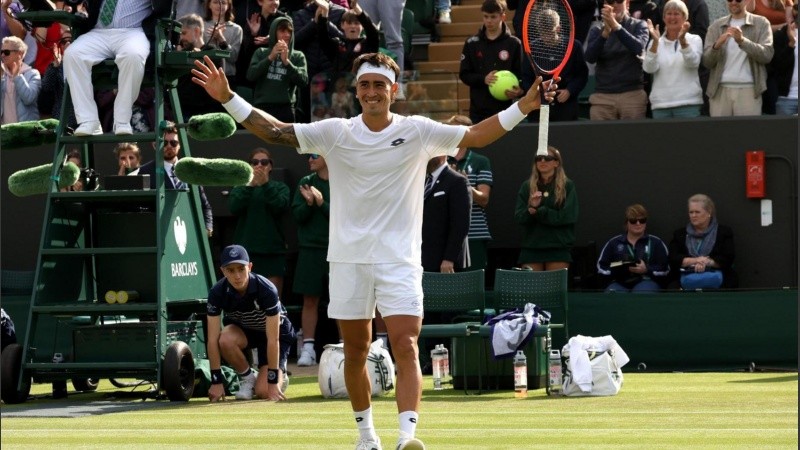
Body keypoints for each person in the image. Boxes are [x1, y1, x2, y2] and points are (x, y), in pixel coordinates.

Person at [191, 50, 554, 450]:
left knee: (405, 343)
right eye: (365, 85)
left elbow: (475, 135)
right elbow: (276, 131)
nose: (372, 91)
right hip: (348, 259)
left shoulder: (417, 130)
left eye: (380, 84)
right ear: (356, 91)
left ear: (393, 91)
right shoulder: (336, 132)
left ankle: (407, 436)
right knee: (357, 350)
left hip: (399, 259)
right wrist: (228, 98)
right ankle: (366, 436)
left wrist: (524, 105)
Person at [63, 0, 171, 136]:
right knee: (72, 54)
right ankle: (89, 121)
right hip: (99, 32)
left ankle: (122, 121)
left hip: (133, 31)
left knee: (134, 55)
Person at [206, 244, 295, 401]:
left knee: (264, 392)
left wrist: (272, 383)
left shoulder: (267, 289)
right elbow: (212, 340)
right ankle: (248, 379)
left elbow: (274, 340)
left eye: (241, 268)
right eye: (231, 270)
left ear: (250, 267)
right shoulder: (217, 292)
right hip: (247, 332)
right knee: (225, 338)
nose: (237, 276)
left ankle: (281, 377)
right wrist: (216, 381)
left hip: (275, 335)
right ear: (223, 271)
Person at [228, 148, 290, 297]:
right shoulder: (241, 187)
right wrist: (250, 186)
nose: (259, 165)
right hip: (246, 252)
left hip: (273, 252)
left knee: (273, 299)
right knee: (245, 300)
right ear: (250, 166)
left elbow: (280, 207)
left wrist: (265, 185)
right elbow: (234, 207)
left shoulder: (280, 187)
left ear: (270, 166)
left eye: (264, 162)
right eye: (255, 162)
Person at [136, 121, 214, 237]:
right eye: (165, 143)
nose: (169, 147)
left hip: (190, 233)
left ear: (179, 145)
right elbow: (142, 208)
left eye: (173, 143)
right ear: (155, 145)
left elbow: (204, 204)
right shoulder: (145, 171)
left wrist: (208, 228)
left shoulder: (190, 170)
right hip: (162, 234)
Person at [702, 0, 773, 117]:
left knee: (747, 134)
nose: (733, 2)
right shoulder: (716, 26)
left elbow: (767, 55)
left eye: (738, 0)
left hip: (749, 89)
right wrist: (716, 46)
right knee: (719, 133)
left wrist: (742, 41)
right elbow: (707, 62)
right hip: (719, 90)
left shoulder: (761, 23)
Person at [291, 153, 330, 367]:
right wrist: (307, 204)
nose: (310, 159)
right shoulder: (305, 182)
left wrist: (321, 203)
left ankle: (345, 346)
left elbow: (344, 216)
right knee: (309, 300)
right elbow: (297, 216)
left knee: (341, 301)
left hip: (337, 250)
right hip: (310, 250)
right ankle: (308, 348)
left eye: (315, 155)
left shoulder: (342, 180)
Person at [514, 146, 578, 271]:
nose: (542, 161)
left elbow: (568, 216)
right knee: (531, 290)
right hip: (531, 247)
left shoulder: (567, 185)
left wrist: (540, 211)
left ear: (556, 162)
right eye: (539, 158)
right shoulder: (527, 186)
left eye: (547, 158)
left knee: (554, 289)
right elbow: (519, 217)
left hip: (557, 247)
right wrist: (531, 208)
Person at [459, 0, 524, 124]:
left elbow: (522, 75)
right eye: (486, 16)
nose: (489, 21)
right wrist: (483, 79)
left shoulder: (514, 43)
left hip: (507, 111)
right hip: (479, 110)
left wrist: (520, 91)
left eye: (493, 17)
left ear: (503, 17)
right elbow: (464, 74)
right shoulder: (472, 43)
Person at [584, 0, 650, 120]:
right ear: (605, 6)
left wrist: (616, 27)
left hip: (632, 94)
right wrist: (604, 35)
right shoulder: (597, 29)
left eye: (619, 1)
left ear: (627, 4)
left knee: (633, 137)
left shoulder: (639, 25)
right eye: (610, 1)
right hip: (603, 96)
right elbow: (590, 57)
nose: (614, 5)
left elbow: (639, 48)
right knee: (600, 138)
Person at [445, 115, 494, 272]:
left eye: (456, 130)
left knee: (473, 285)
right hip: (444, 234)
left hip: (474, 234)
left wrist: (464, 185)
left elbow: (484, 199)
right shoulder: (440, 160)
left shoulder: (480, 161)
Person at [520, 11, 588, 122]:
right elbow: (526, 78)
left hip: (566, 106)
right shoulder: (531, 49)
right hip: (538, 108)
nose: (546, 37)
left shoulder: (574, 46)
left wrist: (569, 90)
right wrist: (537, 94)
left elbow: (582, 75)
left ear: (558, 28)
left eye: (549, 33)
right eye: (542, 33)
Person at [643, 0, 704, 119]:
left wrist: (683, 41)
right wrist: (655, 43)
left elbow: (693, 63)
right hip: (661, 105)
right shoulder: (655, 42)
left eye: (677, 14)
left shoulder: (694, 39)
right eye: (669, 14)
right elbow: (649, 69)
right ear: (664, 18)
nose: (672, 17)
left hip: (688, 104)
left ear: (685, 18)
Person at [669, 193, 737, 289]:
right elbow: (673, 258)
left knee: (730, 283)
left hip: (717, 275)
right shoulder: (679, 234)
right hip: (685, 276)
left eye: (697, 212)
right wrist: (695, 261)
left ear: (709, 212)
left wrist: (707, 263)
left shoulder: (723, 232)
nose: (693, 215)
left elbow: (728, 258)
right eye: (691, 212)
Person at [247, 16, 308, 123]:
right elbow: (251, 76)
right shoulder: (261, 52)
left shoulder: (298, 56)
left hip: (286, 108)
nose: (287, 35)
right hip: (262, 107)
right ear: (274, 32)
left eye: (289, 31)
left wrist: (287, 63)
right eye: (282, 31)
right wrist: (270, 58)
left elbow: (303, 81)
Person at [596, 204, 670, 292]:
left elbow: (665, 269)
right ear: (626, 223)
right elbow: (601, 267)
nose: (638, 223)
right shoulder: (614, 243)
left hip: (646, 280)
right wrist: (618, 267)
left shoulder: (656, 242)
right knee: (612, 294)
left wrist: (646, 269)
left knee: (641, 294)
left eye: (642, 220)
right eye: (633, 220)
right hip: (619, 282)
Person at [421, 154, 471, 273]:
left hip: (445, 264)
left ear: (443, 153)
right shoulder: (422, 180)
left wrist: (449, 258)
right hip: (423, 260)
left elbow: (461, 223)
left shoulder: (458, 181)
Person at [175, 14, 226, 119]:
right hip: (182, 111)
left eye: (184, 33)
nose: (181, 38)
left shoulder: (214, 54)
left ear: (197, 31)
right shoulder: (180, 54)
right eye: (179, 34)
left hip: (208, 113)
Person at [235, 0, 289, 89]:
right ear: (260, 2)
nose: (275, 2)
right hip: (255, 70)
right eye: (271, 0)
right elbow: (246, 51)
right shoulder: (254, 18)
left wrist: (272, 40)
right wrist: (253, 34)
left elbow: (290, 42)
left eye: (277, 0)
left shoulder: (283, 19)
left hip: (275, 72)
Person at [318, 0, 380, 75]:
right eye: (349, 23)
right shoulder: (337, 44)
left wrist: (356, 8)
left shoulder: (368, 44)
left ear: (362, 26)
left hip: (362, 84)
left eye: (356, 23)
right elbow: (322, 37)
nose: (353, 26)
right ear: (342, 25)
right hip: (340, 85)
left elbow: (373, 32)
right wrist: (325, 11)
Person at [37, 28, 75, 126]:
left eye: (70, 41)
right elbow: (46, 86)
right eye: (63, 42)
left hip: (82, 117)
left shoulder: (86, 62)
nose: (67, 44)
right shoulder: (56, 65)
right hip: (61, 117)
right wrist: (55, 66)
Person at [1, 35, 41, 123]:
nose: (3, 55)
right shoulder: (1, 74)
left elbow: (29, 98)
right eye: (1, 52)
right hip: (4, 132)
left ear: (20, 53)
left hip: (24, 132)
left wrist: (17, 77)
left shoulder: (33, 74)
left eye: (7, 52)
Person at [203, 0, 244, 85]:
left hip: (227, 76)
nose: (219, 5)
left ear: (229, 6)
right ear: (209, 5)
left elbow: (233, 58)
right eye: (215, 2)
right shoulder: (202, 25)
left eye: (223, 3)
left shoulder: (236, 29)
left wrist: (221, 39)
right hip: (206, 74)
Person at [768, 2, 798, 116]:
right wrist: (791, 44)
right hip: (787, 100)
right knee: (783, 134)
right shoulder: (782, 35)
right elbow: (777, 66)